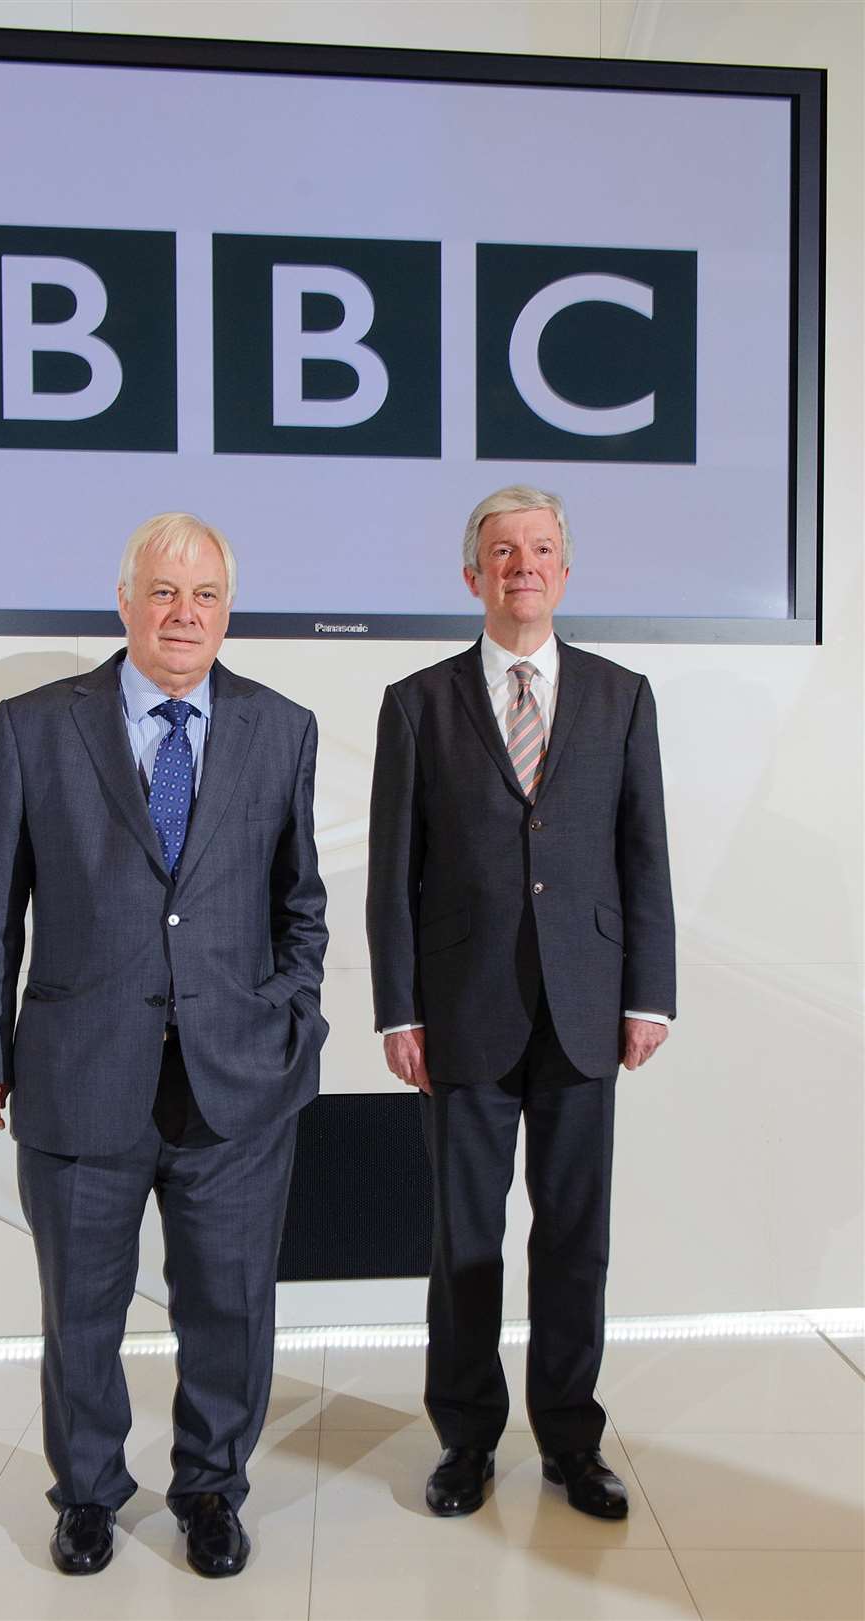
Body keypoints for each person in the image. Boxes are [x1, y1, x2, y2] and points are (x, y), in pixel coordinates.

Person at [0, 513, 328, 1579]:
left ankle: (211, 1488)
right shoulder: (36, 727)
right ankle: (87, 1495)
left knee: (230, 1308)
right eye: (164, 592)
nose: (184, 614)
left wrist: (293, 1026)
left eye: (204, 595)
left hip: (237, 1086)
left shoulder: (281, 727)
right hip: (80, 1076)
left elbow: (303, 905)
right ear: (124, 602)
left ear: (226, 611)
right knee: (80, 1312)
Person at [366, 485, 675, 1523]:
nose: (521, 566)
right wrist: (397, 1009)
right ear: (473, 576)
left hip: (588, 1008)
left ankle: (571, 1440)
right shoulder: (416, 703)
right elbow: (390, 873)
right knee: (465, 1237)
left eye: (540, 549)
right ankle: (464, 1438)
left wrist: (652, 995)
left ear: (565, 570)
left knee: (575, 1237)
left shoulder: (622, 695)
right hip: (461, 1011)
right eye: (501, 552)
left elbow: (645, 857)